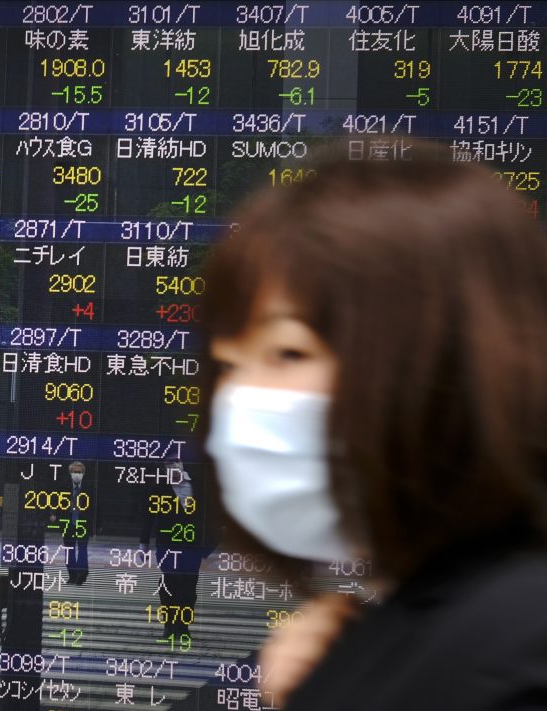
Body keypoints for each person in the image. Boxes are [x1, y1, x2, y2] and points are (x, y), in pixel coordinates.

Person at [201, 140, 547, 709]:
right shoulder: (423, 623)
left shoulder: (517, 651)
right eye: (230, 364)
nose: (240, 398)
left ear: (444, 353)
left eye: (288, 354)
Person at [140, 457, 212, 638]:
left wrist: (208, 547)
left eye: (175, 464)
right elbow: (148, 517)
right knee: (168, 585)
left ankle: (183, 627)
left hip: (192, 546)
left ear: (182, 465)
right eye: (167, 465)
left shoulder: (200, 487)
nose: (171, 468)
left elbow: (211, 518)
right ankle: (169, 626)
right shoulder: (159, 488)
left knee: (188, 588)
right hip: (166, 545)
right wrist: (144, 544)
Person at [58, 461, 93, 585]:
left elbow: (95, 507)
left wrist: (96, 525)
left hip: (83, 524)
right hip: (68, 524)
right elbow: (58, 505)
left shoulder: (89, 488)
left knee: (82, 549)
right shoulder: (63, 487)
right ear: (70, 473)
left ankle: (81, 575)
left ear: (83, 473)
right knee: (69, 550)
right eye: (74, 472)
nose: (76, 474)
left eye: (79, 472)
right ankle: (72, 575)